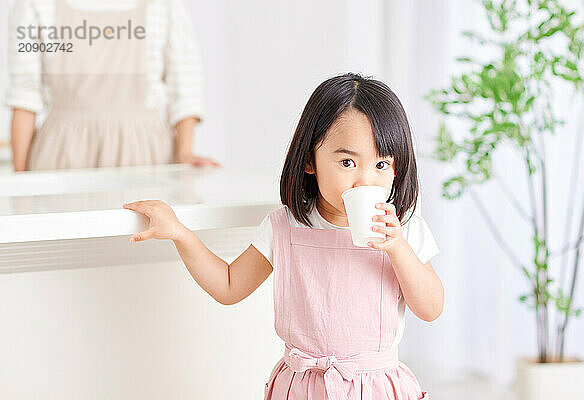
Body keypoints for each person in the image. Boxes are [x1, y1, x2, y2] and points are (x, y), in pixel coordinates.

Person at [123, 73, 442, 399]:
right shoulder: (285, 227)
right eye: (348, 162)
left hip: (374, 388)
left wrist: (397, 247)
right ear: (309, 162)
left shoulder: (405, 229)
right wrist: (180, 233)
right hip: (302, 388)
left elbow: (431, 308)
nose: (365, 180)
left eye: (381, 165)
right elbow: (229, 286)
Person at [7, 0, 218, 171]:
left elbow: (185, 89)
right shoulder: (33, 4)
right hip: (60, 158)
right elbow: (25, 96)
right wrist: (22, 183)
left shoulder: (164, 5)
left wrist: (185, 154)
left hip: (146, 160)